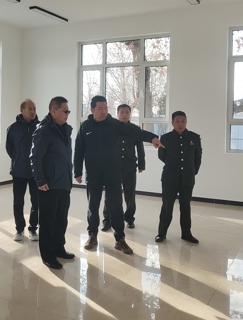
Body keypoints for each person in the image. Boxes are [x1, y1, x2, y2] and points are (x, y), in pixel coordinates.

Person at [74, 95, 162, 255]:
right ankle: (92, 236)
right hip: (93, 174)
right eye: (100, 108)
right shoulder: (86, 126)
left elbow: (135, 131)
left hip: (113, 173)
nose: (103, 111)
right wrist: (78, 171)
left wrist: (152, 137)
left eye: (106, 108)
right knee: (93, 207)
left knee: (116, 207)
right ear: (92, 109)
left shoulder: (114, 124)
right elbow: (79, 149)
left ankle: (120, 239)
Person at [30, 96, 75, 270]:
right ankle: (48, 255)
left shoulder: (65, 129)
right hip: (49, 184)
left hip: (63, 182)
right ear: (54, 111)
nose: (68, 114)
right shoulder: (44, 130)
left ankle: (58, 248)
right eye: (65, 110)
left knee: (61, 220)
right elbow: (35, 157)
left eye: (68, 110)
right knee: (48, 221)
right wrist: (40, 180)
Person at [155, 111, 202, 244]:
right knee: (167, 206)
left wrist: (192, 172)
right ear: (172, 123)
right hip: (170, 177)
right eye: (177, 121)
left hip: (187, 177)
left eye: (183, 121)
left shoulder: (194, 137)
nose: (180, 124)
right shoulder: (165, 138)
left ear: (186, 122)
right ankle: (161, 233)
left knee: (186, 206)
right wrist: (173, 165)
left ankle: (186, 234)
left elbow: (198, 157)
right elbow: (161, 156)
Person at [100, 104, 145, 231]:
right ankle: (107, 220)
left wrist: (141, 164)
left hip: (129, 167)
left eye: (127, 112)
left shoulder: (135, 129)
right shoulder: (111, 128)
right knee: (110, 195)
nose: (124, 115)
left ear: (130, 114)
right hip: (113, 168)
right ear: (117, 114)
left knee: (130, 195)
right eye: (122, 112)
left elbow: (140, 149)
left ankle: (129, 218)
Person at [6, 99, 40, 242]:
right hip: (18, 171)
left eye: (34, 109)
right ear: (22, 110)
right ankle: (19, 229)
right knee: (18, 202)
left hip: (36, 172)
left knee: (36, 202)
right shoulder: (13, 128)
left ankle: (33, 229)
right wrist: (18, 159)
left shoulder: (40, 127)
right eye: (30, 109)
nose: (33, 111)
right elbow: (9, 148)